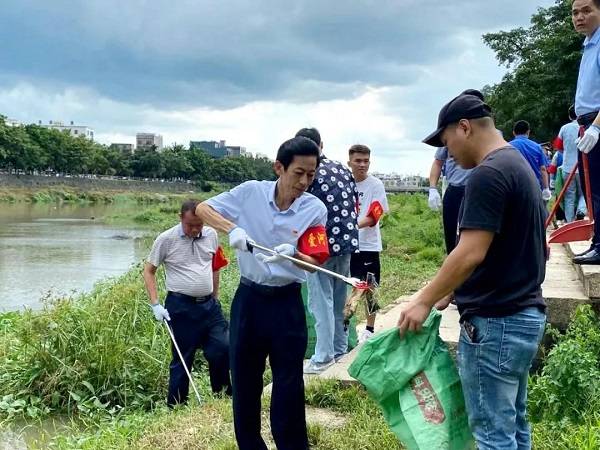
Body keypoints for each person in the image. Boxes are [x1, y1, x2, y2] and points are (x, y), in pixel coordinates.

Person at [398, 92, 547, 449]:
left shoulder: (487, 174)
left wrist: (423, 300)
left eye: (447, 142)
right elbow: (510, 247)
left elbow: (469, 253)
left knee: (492, 434)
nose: (448, 154)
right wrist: (453, 289)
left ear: (464, 128)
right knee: (512, 424)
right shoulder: (517, 165)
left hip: (496, 324)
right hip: (523, 315)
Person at [195, 136, 329, 450]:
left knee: (288, 384)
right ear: (279, 167)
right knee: (245, 382)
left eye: (311, 174)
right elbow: (203, 208)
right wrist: (233, 229)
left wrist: (293, 254)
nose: (304, 181)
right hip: (250, 301)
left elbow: (314, 263)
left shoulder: (314, 209)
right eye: (298, 173)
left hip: (287, 303)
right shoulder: (250, 193)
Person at [143, 200, 231, 407]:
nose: (194, 229)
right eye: (190, 224)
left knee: (223, 348)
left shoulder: (211, 235)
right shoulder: (166, 239)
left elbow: (215, 266)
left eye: (199, 224)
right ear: (180, 217)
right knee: (183, 358)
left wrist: (215, 297)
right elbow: (149, 271)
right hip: (181, 307)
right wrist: (155, 304)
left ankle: (223, 397)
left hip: (210, 306)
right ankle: (176, 405)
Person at [296, 128, 359, 374]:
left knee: (320, 300)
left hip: (320, 246)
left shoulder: (308, 172)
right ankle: (340, 349)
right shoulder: (341, 168)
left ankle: (323, 357)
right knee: (338, 297)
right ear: (322, 143)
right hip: (347, 241)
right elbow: (354, 200)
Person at [428, 89, 483, 254]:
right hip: (455, 189)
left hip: (479, 190)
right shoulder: (452, 134)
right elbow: (438, 163)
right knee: (452, 235)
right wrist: (432, 188)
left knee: (476, 234)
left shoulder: (491, 137)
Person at [347, 144, 389, 342]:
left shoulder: (376, 185)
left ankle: (369, 329)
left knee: (371, 289)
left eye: (366, 161)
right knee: (350, 286)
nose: (362, 165)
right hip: (348, 246)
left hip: (369, 246)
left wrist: (349, 226)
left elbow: (374, 217)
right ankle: (346, 327)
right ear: (350, 163)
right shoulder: (345, 184)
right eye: (358, 161)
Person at [571, 0, 600, 264]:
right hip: (587, 124)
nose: (580, 16)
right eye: (575, 12)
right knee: (591, 189)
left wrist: (597, 126)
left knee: (599, 188)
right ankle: (598, 241)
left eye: (587, 10)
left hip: (597, 124)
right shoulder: (589, 44)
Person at [556, 105, 587, 222]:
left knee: (569, 196)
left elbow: (558, 148)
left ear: (569, 116)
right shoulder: (585, 127)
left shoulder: (564, 128)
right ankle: (581, 211)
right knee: (583, 193)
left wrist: (567, 152)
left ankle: (569, 222)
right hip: (583, 167)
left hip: (567, 167)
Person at [509, 120, 552, 201]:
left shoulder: (508, 147)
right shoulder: (537, 147)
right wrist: (546, 188)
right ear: (528, 132)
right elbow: (543, 169)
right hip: (535, 186)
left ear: (514, 133)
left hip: (515, 187)